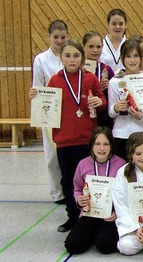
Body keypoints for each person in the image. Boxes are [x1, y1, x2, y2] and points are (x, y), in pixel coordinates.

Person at [30, 39, 107, 232]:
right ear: (60, 58)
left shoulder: (90, 79)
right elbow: (46, 105)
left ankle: (90, 217)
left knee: (88, 181)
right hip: (64, 140)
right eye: (67, 56)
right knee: (68, 181)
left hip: (87, 141)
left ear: (82, 57)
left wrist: (99, 101)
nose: (72, 60)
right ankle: (72, 216)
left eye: (76, 55)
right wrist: (36, 96)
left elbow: (103, 100)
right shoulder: (55, 80)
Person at [64, 127, 127, 254]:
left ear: (111, 145)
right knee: (73, 246)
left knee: (106, 246)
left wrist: (118, 213)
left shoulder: (121, 164)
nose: (101, 148)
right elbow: (77, 188)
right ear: (91, 145)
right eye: (97, 144)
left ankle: (99, 234)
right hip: (89, 213)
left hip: (111, 215)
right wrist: (79, 200)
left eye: (106, 144)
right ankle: (92, 233)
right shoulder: (83, 164)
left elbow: (127, 193)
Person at [32, 19, 67, 205]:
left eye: (62, 37)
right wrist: (34, 94)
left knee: (68, 153)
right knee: (52, 155)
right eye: (56, 37)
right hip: (49, 110)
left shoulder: (70, 56)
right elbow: (37, 86)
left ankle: (71, 188)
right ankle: (57, 193)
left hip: (69, 110)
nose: (59, 41)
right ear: (49, 37)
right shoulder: (41, 59)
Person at [108, 40, 143, 160]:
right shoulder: (115, 82)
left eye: (136, 56)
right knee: (122, 173)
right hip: (120, 135)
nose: (132, 60)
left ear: (141, 58)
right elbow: (110, 113)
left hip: (142, 133)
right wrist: (116, 108)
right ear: (122, 58)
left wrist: (142, 117)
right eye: (128, 56)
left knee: (140, 174)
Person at [83, 31, 116, 129]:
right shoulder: (79, 70)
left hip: (103, 120)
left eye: (98, 47)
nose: (95, 50)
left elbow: (114, 96)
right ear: (83, 47)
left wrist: (109, 87)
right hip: (84, 118)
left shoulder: (106, 69)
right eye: (91, 46)